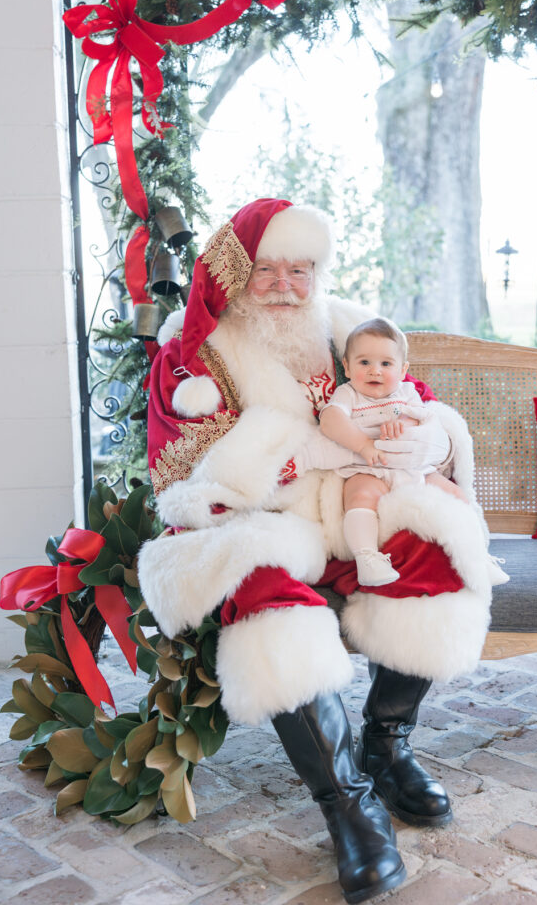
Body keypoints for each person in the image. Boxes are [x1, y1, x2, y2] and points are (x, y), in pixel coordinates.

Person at [138, 198, 497, 904]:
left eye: (298, 270)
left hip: (352, 505)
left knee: (438, 549)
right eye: (265, 270)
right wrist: (305, 446)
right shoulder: (193, 353)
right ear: (236, 274)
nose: (282, 285)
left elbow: (414, 401)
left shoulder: (343, 325)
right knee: (267, 598)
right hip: (264, 517)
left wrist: (422, 442)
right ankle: (349, 804)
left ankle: (387, 743)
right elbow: (184, 472)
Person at [319, 317, 466, 586]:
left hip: (412, 468)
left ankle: (473, 554)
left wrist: (404, 425)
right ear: (347, 367)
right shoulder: (347, 394)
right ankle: (367, 559)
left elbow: (424, 420)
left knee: (456, 495)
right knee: (360, 495)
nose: (375, 371)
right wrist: (363, 445)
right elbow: (330, 421)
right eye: (364, 362)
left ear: (402, 370)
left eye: (386, 364)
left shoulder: (408, 392)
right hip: (368, 467)